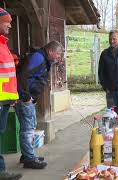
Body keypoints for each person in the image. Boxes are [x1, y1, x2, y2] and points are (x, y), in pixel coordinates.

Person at [16, 40, 63, 169]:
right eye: (58, 54)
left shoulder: (43, 59)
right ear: (50, 51)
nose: (59, 57)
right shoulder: (38, 58)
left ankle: (27, 154)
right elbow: (21, 76)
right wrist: (25, 96)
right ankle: (29, 159)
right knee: (28, 129)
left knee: (29, 126)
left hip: (29, 98)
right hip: (25, 99)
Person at [0, 7, 22, 180]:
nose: (10, 26)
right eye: (7, 22)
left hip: (5, 100)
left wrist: (11, 97)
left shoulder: (3, 44)